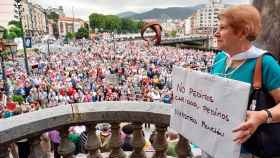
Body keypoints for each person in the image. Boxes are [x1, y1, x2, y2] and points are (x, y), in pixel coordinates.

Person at [203, 4, 280, 158]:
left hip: (245, 150)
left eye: (223, 28)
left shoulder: (265, 63)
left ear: (242, 32)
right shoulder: (220, 58)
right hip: (212, 143)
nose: (216, 33)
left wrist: (263, 116)